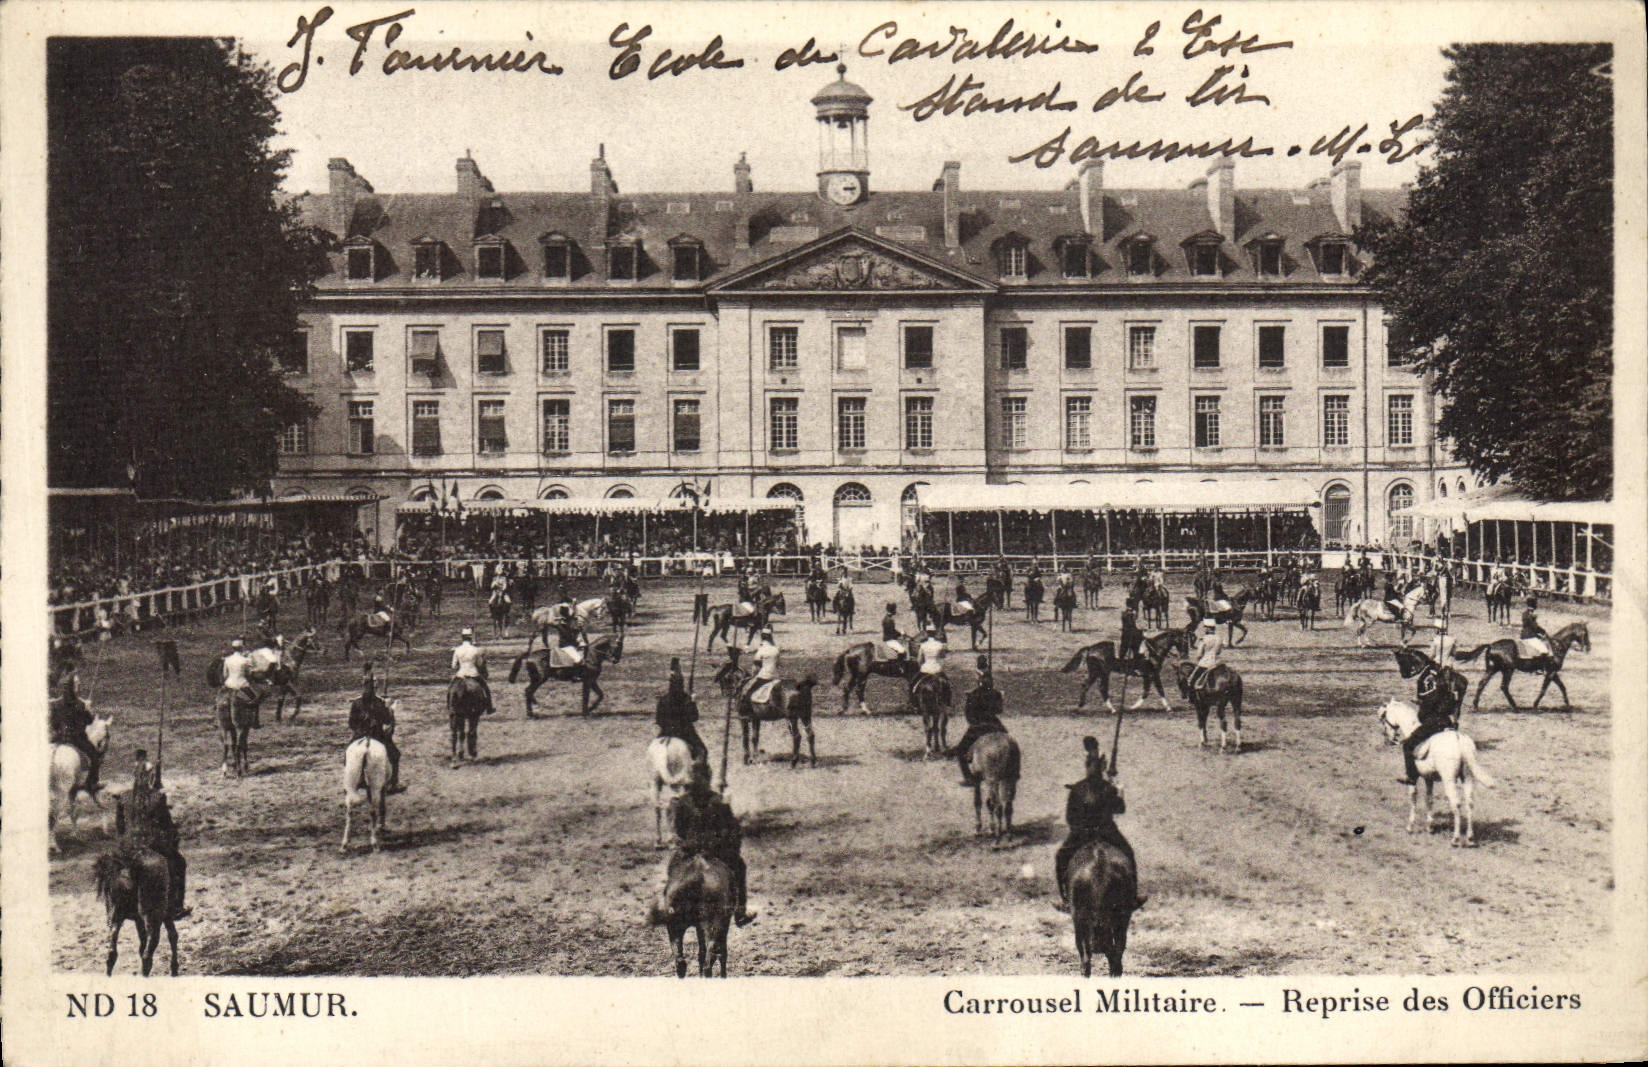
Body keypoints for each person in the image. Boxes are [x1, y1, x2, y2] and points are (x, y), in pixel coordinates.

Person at [661, 758, 756, 927]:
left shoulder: (683, 802)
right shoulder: (718, 801)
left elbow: (679, 830)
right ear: (708, 778)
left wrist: (685, 841)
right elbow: (730, 829)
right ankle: (740, 911)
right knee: (739, 867)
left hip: (690, 849)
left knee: (673, 868)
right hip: (715, 850)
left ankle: (667, 905)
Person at [1054, 737, 1137, 912]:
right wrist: (1120, 791)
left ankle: (1065, 899)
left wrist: (1079, 830)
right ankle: (1133, 898)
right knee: (1129, 854)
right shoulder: (1108, 787)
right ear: (1101, 768)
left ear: (1087, 768)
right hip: (1107, 833)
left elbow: (1070, 818)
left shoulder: (1077, 788)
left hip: (1081, 834)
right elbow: (1120, 809)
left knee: (1061, 857)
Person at [122, 748, 190, 920]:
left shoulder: (125, 797)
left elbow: (120, 826)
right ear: (149, 777)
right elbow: (167, 825)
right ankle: (176, 906)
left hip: (129, 844)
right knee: (179, 863)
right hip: (150, 844)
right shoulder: (157, 798)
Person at [1401, 651, 1462, 785]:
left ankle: (1411, 776)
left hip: (1432, 723)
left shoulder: (1425, 679)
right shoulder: (1441, 674)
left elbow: (1428, 701)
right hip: (1447, 721)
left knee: (1407, 745)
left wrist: (1420, 702)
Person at [349, 667, 405, 793]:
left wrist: (360, 730)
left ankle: (359, 780)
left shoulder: (358, 703)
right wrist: (388, 709)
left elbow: (352, 724)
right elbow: (386, 721)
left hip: (362, 735)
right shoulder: (378, 702)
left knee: (348, 753)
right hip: (376, 736)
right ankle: (393, 783)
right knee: (395, 754)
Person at [955, 656, 1006, 787]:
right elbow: (999, 710)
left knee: (960, 750)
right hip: (995, 724)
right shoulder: (996, 694)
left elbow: (969, 715)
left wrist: (973, 723)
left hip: (979, 725)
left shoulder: (973, 695)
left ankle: (969, 778)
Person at [49, 674, 102, 794]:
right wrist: (88, 710)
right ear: (72, 687)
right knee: (95, 756)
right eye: (77, 684)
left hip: (60, 738)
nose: (79, 686)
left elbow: (54, 723)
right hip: (77, 740)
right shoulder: (80, 704)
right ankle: (92, 784)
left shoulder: (56, 704)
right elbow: (89, 721)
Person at [655, 657, 707, 763]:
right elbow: (694, 718)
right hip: (685, 733)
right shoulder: (686, 699)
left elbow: (659, 721)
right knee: (703, 751)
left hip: (665, 733)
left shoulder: (663, 699)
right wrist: (693, 702)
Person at [222, 637, 262, 729]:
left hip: (229, 685)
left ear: (233, 648)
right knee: (255, 699)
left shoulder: (227, 659)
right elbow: (248, 674)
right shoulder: (245, 660)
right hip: (241, 685)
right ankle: (254, 721)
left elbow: (225, 675)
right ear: (241, 648)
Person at [451, 628, 493, 714]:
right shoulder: (475, 650)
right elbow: (480, 664)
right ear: (471, 638)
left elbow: (453, 666)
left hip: (461, 674)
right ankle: (489, 707)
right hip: (473, 674)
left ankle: (450, 706)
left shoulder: (457, 649)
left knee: (450, 689)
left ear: (462, 637)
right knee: (486, 689)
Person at [739, 627, 782, 708]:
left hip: (764, 676)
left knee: (748, 692)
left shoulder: (761, 650)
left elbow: (756, 665)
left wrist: (753, 675)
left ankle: (747, 710)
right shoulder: (776, 649)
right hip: (775, 676)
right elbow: (778, 664)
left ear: (762, 637)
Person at [915, 625, 952, 707]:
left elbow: (919, 660)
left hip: (925, 669)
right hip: (936, 669)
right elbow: (942, 657)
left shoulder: (923, 645)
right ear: (935, 633)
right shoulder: (939, 645)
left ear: (927, 634)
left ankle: (914, 703)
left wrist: (922, 666)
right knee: (948, 684)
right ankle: (948, 702)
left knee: (913, 684)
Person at [1187, 617, 1222, 696]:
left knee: (1191, 681)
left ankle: (1192, 697)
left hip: (1205, 663)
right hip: (1217, 662)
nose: (1204, 629)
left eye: (1205, 627)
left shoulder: (1204, 639)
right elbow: (1218, 652)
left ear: (1208, 629)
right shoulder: (1219, 638)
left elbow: (1199, 654)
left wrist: (1198, 660)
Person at [1119, 605, 1145, 670]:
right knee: (1128, 649)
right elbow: (1131, 626)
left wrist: (1139, 631)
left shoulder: (1127, 615)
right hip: (1128, 637)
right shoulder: (1127, 616)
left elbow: (1133, 626)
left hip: (1129, 636)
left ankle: (1137, 659)